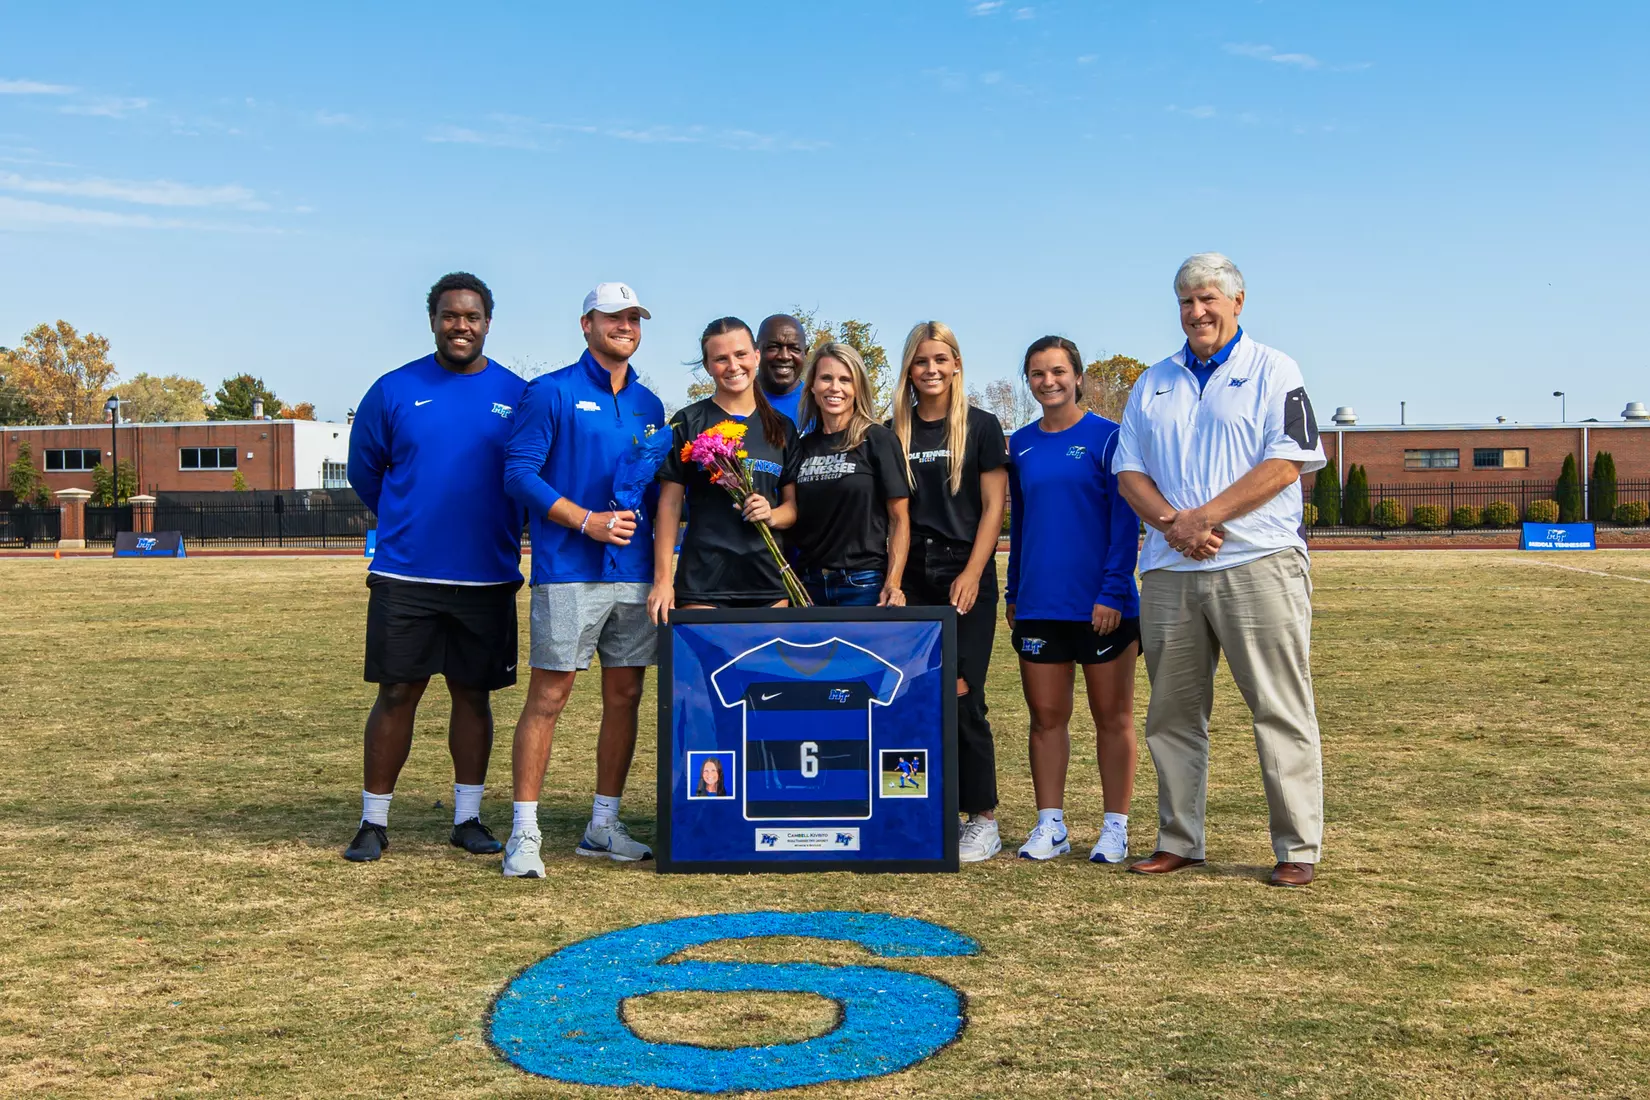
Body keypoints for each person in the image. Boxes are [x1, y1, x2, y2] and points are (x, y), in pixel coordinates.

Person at [1113, 252, 1326, 888]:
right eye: (1185, 301)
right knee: (1172, 715)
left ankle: (1297, 847)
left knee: (1279, 708)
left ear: (1237, 302)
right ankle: (1180, 838)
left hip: (1258, 561)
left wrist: (1201, 516)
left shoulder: (1273, 368)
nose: (1196, 311)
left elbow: (1287, 461)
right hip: (1170, 570)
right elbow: (1129, 472)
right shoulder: (1152, 381)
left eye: (1208, 298)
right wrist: (1177, 526)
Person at [342, 272, 526, 863]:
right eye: (450, 315)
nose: (461, 325)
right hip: (408, 575)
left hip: (487, 575)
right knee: (397, 693)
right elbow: (365, 473)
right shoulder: (394, 390)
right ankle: (374, 821)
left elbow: (529, 475)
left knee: (474, 696)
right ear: (434, 321)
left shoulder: (518, 395)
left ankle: (467, 818)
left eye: (472, 316)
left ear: (488, 323)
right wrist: (411, 516)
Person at [500, 282, 667, 878]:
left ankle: (603, 824)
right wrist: (585, 520)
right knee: (549, 697)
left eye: (633, 318)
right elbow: (518, 475)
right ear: (586, 324)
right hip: (568, 570)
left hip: (635, 572)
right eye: (612, 317)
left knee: (626, 697)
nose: (624, 325)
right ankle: (525, 833)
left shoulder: (651, 405)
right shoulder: (550, 392)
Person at [1005, 336, 1141, 863]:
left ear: (1078, 376)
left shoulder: (1110, 439)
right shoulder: (1019, 444)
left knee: (1114, 717)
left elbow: (1124, 522)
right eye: (1037, 373)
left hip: (1103, 607)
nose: (1048, 381)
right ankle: (1051, 824)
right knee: (1045, 718)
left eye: (1058, 371)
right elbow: (1021, 523)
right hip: (1040, 604)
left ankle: (1115, 826)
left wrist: (1111, 591)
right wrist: (1015, 590)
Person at [888, 321, 1009, 861]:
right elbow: (894, 516)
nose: (931, 369)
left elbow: (992, 509)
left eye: (941, 359)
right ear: (909, 370)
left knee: (962, 694)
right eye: (921, 361)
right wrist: (893, 582)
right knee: (910, 694)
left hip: (966, 576)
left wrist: (972, 573)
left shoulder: (982, 427)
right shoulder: (893, 430)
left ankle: (981, 817)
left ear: (957, 364)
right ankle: (915, 803)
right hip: (911, 580)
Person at [649, 317, 796, 619]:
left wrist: (770, 514)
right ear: (707, 366)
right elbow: (670, 504)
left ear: (756, 356)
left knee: (763, 668)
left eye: (741, 354)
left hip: (768, 584)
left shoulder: (782, 427)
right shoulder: (688, 421)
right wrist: (663, 581)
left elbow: (793, 508)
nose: (733, 366)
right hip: (704, 582)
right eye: (720, 359)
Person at [773, 343, 910, 607]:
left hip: (863, 585)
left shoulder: (879, 440)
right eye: (826, 378)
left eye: (845, 380)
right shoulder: (801, 447)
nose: (835, 387)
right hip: (808, 586)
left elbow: (899, 519)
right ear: (812, 386)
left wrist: (893, 584)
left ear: (857, 388)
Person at [756, 314, 807, 426]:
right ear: (756, 350)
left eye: (794, 348)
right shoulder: (734, 400)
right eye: (773, 347)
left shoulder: (819, 403)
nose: (784, 356)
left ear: (805, 353)